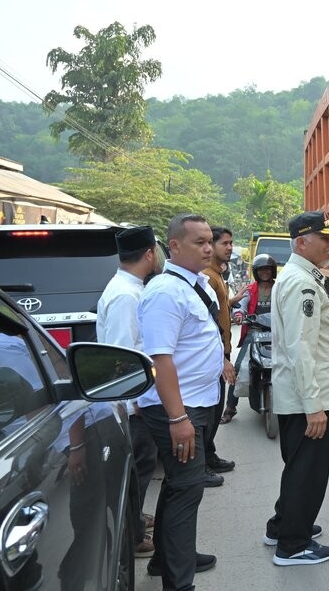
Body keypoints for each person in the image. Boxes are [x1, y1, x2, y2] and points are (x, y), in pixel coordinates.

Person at [137, 213, 233, 590]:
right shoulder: (165, 292)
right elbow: (160, 359)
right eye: (199, 242)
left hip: (197, 402)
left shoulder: (196, 284)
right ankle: (179, 582)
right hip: (179, 407)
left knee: (179, 486)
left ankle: (166, 559)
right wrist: (178, 418)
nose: (209, 248)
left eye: (210, 241)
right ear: (174, 246)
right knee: (187, 488)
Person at [265, 211, 329, 567]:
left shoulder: (298, 277)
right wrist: (314, 405)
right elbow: (301, 348)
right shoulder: (303, 285)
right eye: (324, 237)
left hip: (301, 393)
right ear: (301, 243)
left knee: (299, 466)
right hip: (309, 397)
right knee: (307, 472)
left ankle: (282, 525)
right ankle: (292, 545)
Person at [95, 225, 162, 558]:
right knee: (139, 466)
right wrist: (133, 400)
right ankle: (133, 536)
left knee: (141, 466)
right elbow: (122, 355)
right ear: (149, 254)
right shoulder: (126, 295)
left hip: (136, 396)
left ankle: (136, 518)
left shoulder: (129, 288)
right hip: (134, 400)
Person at [199, 226, 237, 481]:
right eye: (225, 243)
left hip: (221, 351)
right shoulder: (208, 278)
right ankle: (200, 465)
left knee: (215, 408)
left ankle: (209, 454)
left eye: (231, 243)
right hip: (215, 355)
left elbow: (221, 309)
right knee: (210, 411)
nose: (230, 247)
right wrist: (222, 358)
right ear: (211, 246)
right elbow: (209, 323)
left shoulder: (217, 275)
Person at [222, 253, 277, 424]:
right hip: (254, 332)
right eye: (261, 270)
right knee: (239, 367)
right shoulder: (250, 290)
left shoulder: (280, 288)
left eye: (267, 269)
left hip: (278, 333)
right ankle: (230, 407)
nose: (265, 272)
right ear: (256, 272)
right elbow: (241, 306)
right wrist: (239, 314)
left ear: (273, 271)